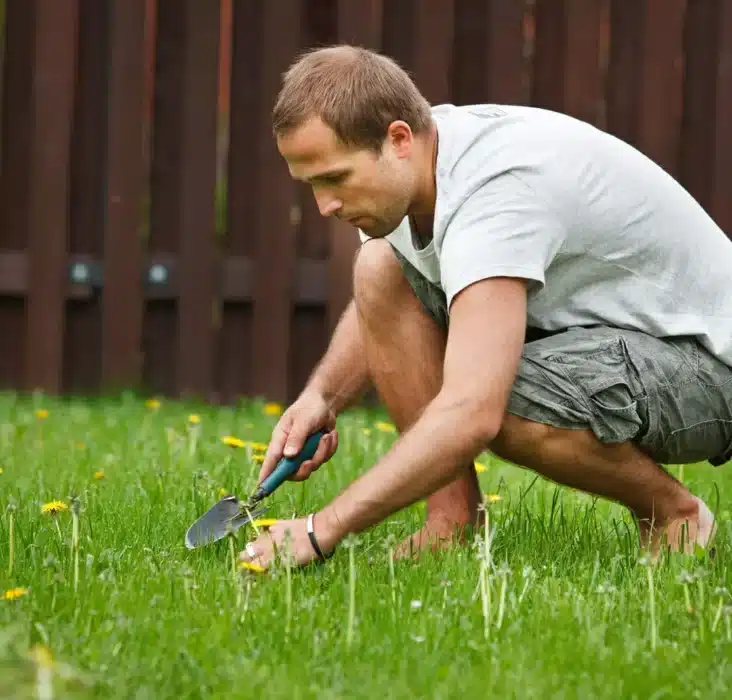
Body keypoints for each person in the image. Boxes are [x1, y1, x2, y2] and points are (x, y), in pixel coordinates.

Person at [239, 44, 731, 571]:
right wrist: (323, 398)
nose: (325, 205)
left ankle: (674, 516)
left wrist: (320, 530)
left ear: (398, 139)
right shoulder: (426, 166)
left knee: (506, 402)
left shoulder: (497, 195)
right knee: (380, 267)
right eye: (311, 184)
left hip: (706, 368)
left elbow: (472, 412)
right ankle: (451, 522)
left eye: (335, 178)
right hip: (612, 339)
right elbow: (385, 301)